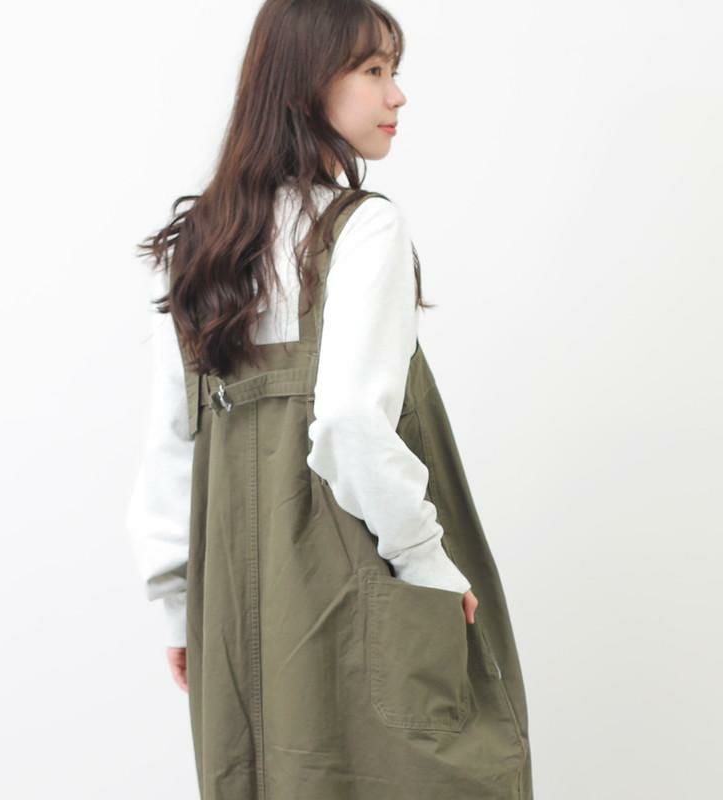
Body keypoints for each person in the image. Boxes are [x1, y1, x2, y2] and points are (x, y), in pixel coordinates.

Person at [126, 2, 533, 798]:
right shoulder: (363, 229)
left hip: (232, 613)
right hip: (362, 593)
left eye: (393, 71)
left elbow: (171, 446)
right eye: (374, 71)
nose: (397, 95)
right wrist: (428, 564)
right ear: (307, 82)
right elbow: (347, 421)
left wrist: (179, 609)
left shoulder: (197, 249)